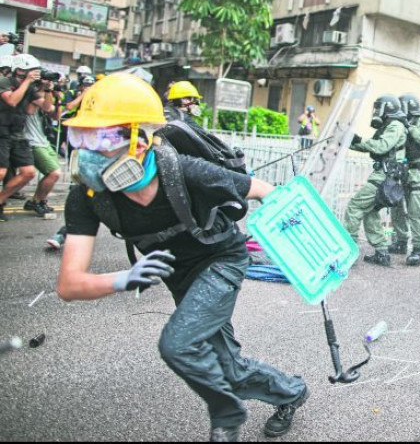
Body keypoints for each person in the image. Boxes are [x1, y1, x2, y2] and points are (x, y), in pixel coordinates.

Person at [55, 74, 309, 442]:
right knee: (227, 366)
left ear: (139, 141)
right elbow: (68, 283)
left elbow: (263, 191)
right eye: (81, 138)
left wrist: (309, 242)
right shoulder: (88, 197)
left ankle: (226, 414)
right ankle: (291, 392)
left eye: (102, 138)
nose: (88, 154)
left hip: (220, 260)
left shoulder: (183, 170)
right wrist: (124, 278)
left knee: (178, 344)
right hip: (177, 274)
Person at [343, 95, 407, 267]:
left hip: (384, 177)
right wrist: (351, 141)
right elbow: (373, 145)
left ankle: (349, 251)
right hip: (384, 176)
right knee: (370, 212)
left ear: (388, 108)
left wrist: (359, 141)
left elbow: (381, 146)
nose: (376, 112)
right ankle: (382, 253)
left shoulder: (395, 125)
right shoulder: (391, 125)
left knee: (355, 206)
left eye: (379, 108)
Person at [388, 94, 420, 266]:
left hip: (416, 174)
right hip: (401, 173)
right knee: (396, 209)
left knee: (415, 213)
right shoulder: (400, 125)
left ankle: (417, 249)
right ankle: (401, 241)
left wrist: (410, 127)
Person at [0, 54, 42, 222]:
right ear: (20, 70)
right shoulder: (4, 81)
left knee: (28, 172)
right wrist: (27, 83)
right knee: (1, 172)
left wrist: (46, 89)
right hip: (1, 131)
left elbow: (45, 107)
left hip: (17, 134)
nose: (34, 74)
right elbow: (11, 101)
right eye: (31, 71)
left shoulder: (30, 87)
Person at [21, 77, 62, 215]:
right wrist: (48, 89)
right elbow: (46, 106)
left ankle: (37, 201)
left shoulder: (43, 97)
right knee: (54, 173)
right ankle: (37, 201)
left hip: (43, 140)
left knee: (53, 174)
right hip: (31, 141)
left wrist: (58, 99)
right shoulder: (31, 96)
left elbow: (56, 116)